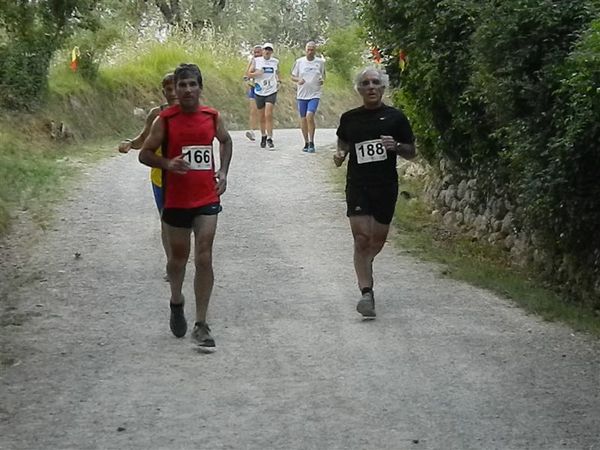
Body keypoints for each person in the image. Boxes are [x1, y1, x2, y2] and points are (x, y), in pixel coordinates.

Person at [139, 63, 233, 347]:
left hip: (206, 198)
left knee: (204, 256)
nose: (188, 89)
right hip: (176, 200)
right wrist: (167, 163)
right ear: (176, 90)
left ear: (200, 88)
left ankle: (201, 323)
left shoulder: (212, 117)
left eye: (193, 84)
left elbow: (226, 142)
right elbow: (144, 154)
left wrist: (224, 172)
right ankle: (176, 300)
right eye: (183, 85)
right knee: (177, 260)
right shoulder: (165, 120)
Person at [334, 67, 416, 318]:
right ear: (359, 89)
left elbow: (412, 151)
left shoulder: (396, 118)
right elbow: (344, 142)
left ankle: (366, 263)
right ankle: (366, 292)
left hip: (385, 186)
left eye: (375, 83)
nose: (371, 87)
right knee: (361, 238)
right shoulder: (349, 118)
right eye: (366, 83)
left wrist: (397, 146)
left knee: (376, 240)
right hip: (358, 185)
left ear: (383, 88)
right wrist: (340, 154)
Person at [118, 72, 178, 274]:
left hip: (187, 177)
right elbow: (143, 139)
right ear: (164, 92)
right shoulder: (156, 114)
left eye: (176, 87)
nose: (173, 93)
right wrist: (129, 144)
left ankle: (181, 255)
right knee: (166, 220)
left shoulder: (194, 112)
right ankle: (172, 263)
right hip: (161, 177)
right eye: (169, 89)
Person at [291, 41, 326, 153]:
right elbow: (292, 76)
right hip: (302, 95)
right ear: (305, 50)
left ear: (315, 50)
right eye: (308, 49)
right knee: (303, 119)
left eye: (312, 49)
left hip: (314, 94)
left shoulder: (320, 62)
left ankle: (312, 142)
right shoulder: (300, 62)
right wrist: (298, 80)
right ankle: (306, 142)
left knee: (309, 116)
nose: (310, 52)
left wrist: (321, 81)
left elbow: (323, 76)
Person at [248, 42, 280, 149]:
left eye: (269, 50)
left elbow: (278, 74)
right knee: (261, 116)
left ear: (272, 52)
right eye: (266, 49)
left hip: (271, 90)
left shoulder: (275, 62)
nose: (267, 51)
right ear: (263, 51)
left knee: (268, 114)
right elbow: (248, 74)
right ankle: (263, 136)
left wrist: (279, 81)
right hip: (259, 90)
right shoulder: (256, 61)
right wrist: (257, 74)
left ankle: (270, 138)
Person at [244, 44, 263, 142]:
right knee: (253, 110)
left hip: (265, 89)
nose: (256, 54)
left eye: (258, 52)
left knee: (263, 111)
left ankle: (265, 132)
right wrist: (247, 79)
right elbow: (246, 73)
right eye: (254, 52)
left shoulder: (267, 62)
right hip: (254, 87)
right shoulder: (253, 61)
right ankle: (252, 131)